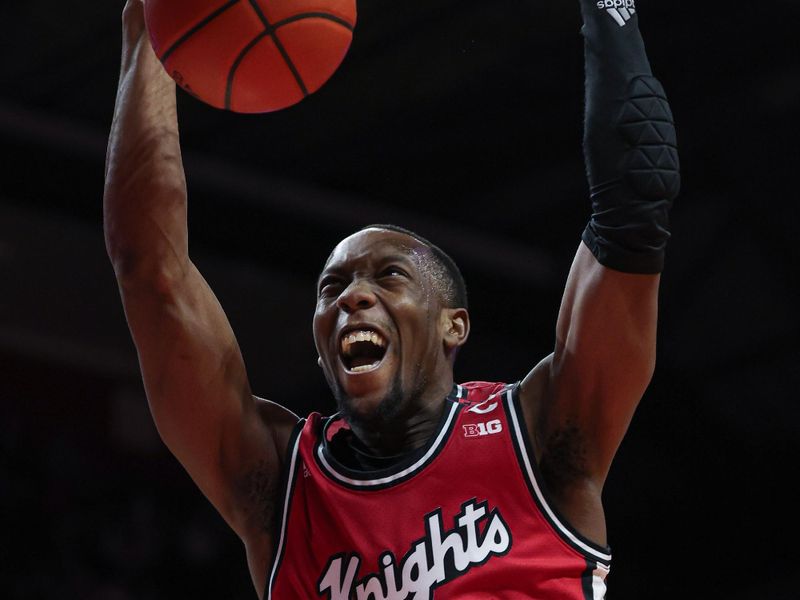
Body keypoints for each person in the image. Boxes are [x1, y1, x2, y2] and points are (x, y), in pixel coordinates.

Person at [103, 0, 679, 598]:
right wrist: (149, 31)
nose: (353, 297)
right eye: (333, 288)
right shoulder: (279, 485)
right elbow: (151, 272)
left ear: (454, 326)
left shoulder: (538, 431)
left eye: (390, 277)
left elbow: (634, 205)